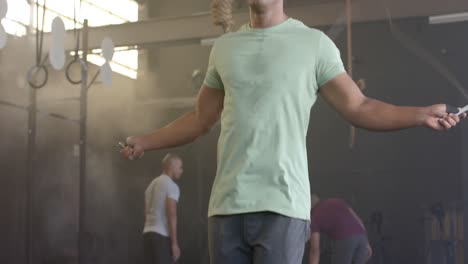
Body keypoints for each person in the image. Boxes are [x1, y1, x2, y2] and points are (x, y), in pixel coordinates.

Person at [121, 1, 465, 263]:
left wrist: (422, 114)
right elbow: (199, 119)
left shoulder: (313, 45)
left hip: (282, 208)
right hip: (226, 208)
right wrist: (146, 141)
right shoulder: (225, 48)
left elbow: (359, 107)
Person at [143, 154, 183, 264]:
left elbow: (146, 214)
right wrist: (174, 243)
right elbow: (172, 215)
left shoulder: (151, 185)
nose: (181, 170)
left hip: (147, 235)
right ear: (171, 166)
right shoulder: (171, 185)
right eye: (179, 167)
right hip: (161, 237)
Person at [309, 194, 371, 264]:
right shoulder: (337, 201)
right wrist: (367, 242)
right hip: (362, 237)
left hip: (345, 240)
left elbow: (315, 250)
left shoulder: (315, 216)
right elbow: (358, 219)